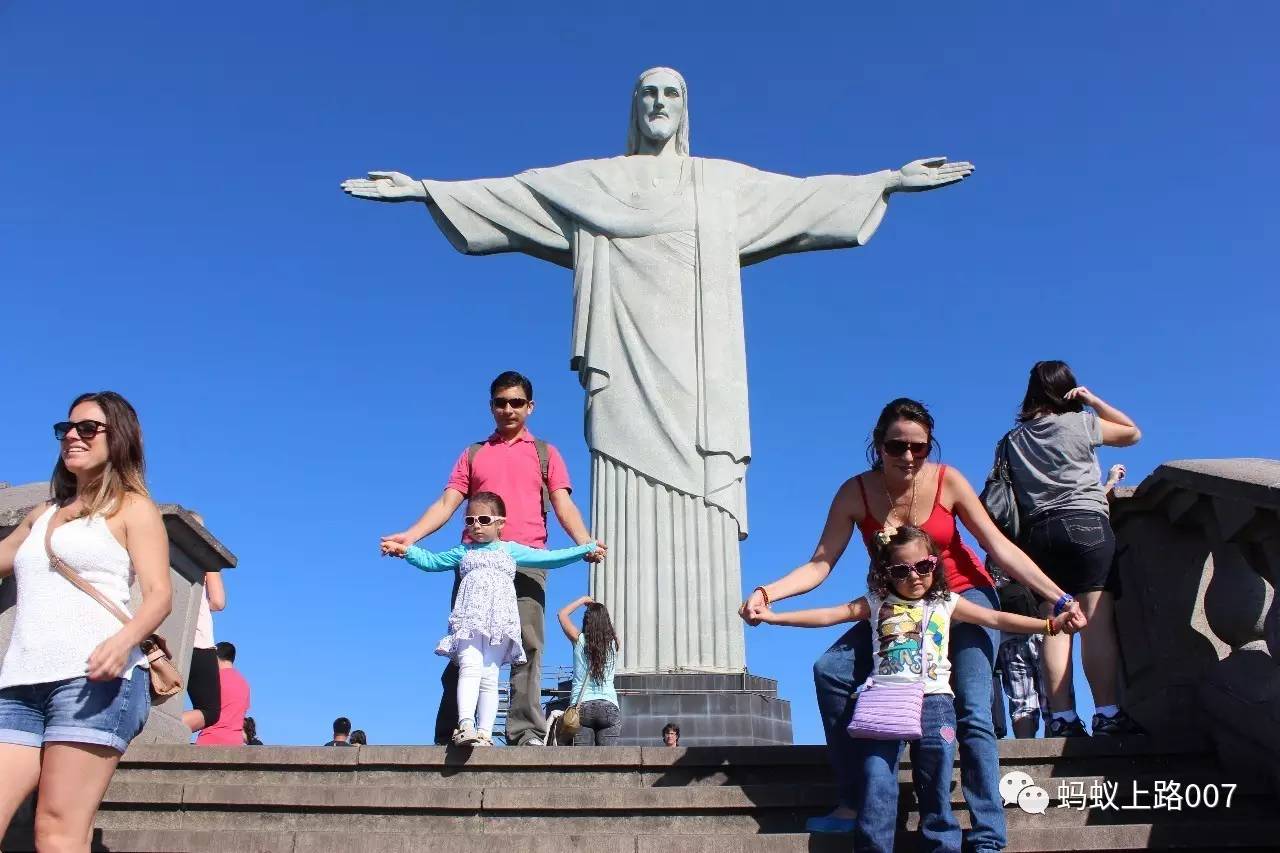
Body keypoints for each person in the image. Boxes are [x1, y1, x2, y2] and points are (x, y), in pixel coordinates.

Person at [343, 67, 974, 678]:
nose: (659, 103)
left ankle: (710, 657)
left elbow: (803, 196)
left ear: (685, 106)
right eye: (647, 93)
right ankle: (616, 669)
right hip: (622, 369)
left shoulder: (717, 183)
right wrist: (428, 189)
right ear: (633, 106)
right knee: (621, 491)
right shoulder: (596, 183)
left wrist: (887, 180)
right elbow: (516, 194)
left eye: (672, 92)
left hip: (702, 377)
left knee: (703, 497)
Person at [740, 398, 1085, 845]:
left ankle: (986, 833)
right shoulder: (856, 493)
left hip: (963, 599)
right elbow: (821, 563)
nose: (907, 457)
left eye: (918, 448)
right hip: (897, 608)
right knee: (831, 671)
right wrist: (768, 594)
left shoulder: (948, 481)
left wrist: (1057, 598)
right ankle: (858, 798)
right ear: (878, 445)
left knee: (975, 712)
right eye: (896, 446)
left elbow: (998, 548)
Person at [756, 526, 1075, 853]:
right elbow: (827, 615)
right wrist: (774, 617)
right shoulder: (876, 602)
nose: (914, 577)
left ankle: (942, 846)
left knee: (936, 783)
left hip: (936, 703)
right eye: (901, 570)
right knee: (877, 780)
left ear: (935, 565)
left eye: (923, 567)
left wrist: (1048, 625)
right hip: (884, 702)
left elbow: (995, 619)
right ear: (887, 574)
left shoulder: (947, 603)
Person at [381, 371, 604, 747]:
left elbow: (562, 503)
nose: (508, 409)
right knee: (464, 644)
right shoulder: (474, 453)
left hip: (527, 559)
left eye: (516, 402)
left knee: (527, 645)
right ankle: (453, 728)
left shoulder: (545, 454)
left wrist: (585, 542)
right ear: (491, 406)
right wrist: (412, 535)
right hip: (476, 562)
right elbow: (447, 503)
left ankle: (526, 733)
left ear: (530, 407)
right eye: (501, 402)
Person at [0, 391, 172, 851]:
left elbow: (159, 596)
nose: (72, 436)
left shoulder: (134, 508)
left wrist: (123, 642)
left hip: (94, 680)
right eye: (66, 428)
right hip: (19, 681)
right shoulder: (44, 514)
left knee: (56, 830)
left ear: (119, 439)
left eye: (87, 428)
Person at [383, 492, 604, 747]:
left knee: (489, 676)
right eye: (470, 520)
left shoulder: (510, 550)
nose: (476, 525)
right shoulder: (462, 552)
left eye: (484, 519)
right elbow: (432, 561)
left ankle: (485, 734)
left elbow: (550, 558)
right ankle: (466, 724)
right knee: (469, 667)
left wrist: (586, 548)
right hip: (469, 621)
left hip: (499, 623)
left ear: (501, 523)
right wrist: (405, 550)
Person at [1005, 361, 1143, 737]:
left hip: (1038, 536)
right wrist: (1093, 400)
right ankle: (1108, 714)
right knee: (1095, 624)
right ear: (1067, 388)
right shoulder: (1080, 422)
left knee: (1057, 625)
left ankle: (1062, 719)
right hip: (1086, 524)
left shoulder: (1013, 441)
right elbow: (1132, 433)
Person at [557, 596, 621, 746]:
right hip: (609, 706)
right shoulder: (614, 644)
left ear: (586, 621)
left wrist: (582, 601)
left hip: (582, 707)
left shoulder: (578, 640)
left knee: (582, 761)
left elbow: (562, 615)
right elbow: (611, 631)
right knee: (608, 762)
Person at [182, 520, 226, 735]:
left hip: (163, 637)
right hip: (198, 639)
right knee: (209, 710)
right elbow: (218, 602)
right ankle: (169, 729)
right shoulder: (206, 558)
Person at [195, 643, 250, 746]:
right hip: (235, 743)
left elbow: (199, 714)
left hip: (209, 739)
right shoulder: (244, 684)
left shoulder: (211, 679)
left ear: (214, 656)